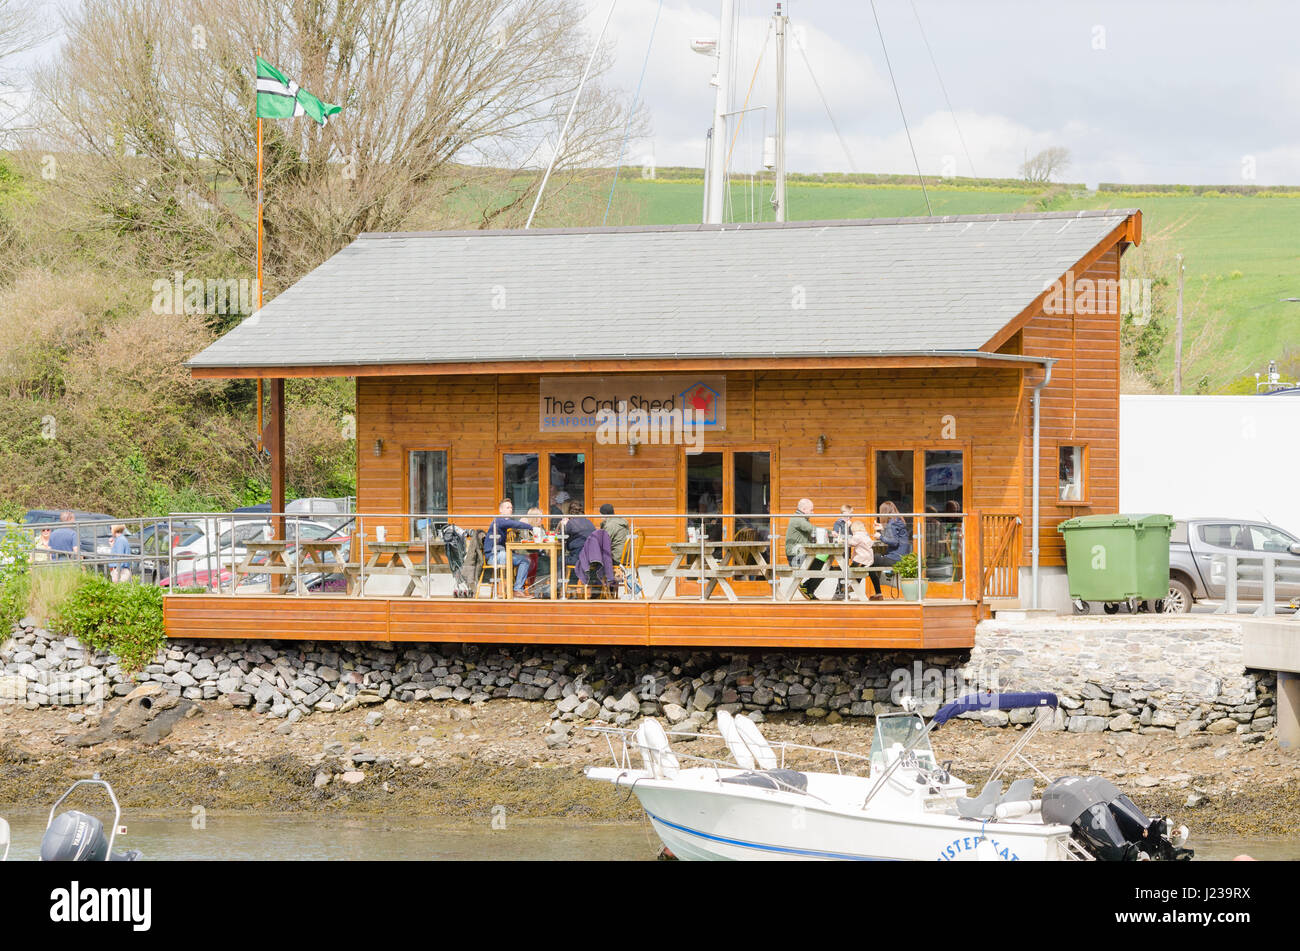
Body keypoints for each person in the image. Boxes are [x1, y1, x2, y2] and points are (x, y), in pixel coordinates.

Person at [483, 499, 535, 598]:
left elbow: (513, 524)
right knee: (525, 560)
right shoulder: (499, 520)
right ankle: (517, 589)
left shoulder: (503, 523)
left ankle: (517, 588)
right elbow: (516, 524)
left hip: (498, 554)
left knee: (525, 559)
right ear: (501, 510)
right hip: (494, 556)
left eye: (511, 507)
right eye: (507, 507)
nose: (510, 509)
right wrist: (531, 527)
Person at [784, 498, 825, 601]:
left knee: (825, 564)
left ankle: (807, 587)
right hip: (795, 558)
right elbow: (813, 529)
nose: (813, 512)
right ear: (803, 509)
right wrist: (831, 533)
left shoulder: (802, 519)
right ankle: (807, 587)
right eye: (811, 510)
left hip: (801, 555)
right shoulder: (798, 519)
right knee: (825, 566)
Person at [876, 500, 911, 594]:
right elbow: (893, 537)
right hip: (901, 557)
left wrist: (880, 536)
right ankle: (878, 593)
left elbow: (893, 542)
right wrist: (882, 529)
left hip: (895, 558)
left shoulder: (891, 524)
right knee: (871, 561)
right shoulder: (898, 521)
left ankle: (877, 592)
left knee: (872, 559)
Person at [848, 518, 882, 600]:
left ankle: (848, 588)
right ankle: (879, 593)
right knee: (870, 573)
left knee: (849, 571)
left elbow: (851, 543)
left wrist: (845, 539)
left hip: (861, 559)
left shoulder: (857, 536)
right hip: (869, 559)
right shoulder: (865, 535)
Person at [560, 500, 595, 571]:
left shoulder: (571, 523)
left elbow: (560, 538)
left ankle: (557, 578)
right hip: (592, 560)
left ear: (570, 512)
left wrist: (563, 525)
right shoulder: (589, 522)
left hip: (579, 559)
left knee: (557, 559)